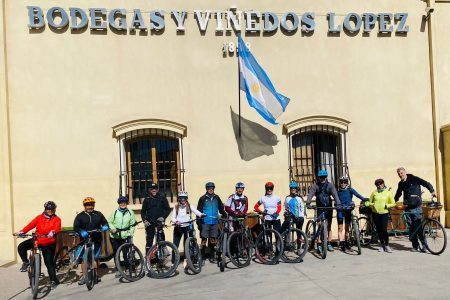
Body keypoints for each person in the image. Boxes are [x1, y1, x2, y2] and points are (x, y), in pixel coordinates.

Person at [14, 201, 61, 290]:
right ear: (45, 209)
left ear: (54, 210)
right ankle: (25, 262)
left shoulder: (57, 219)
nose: (50, 211)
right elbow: (31, 225)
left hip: (49, 242)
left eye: (52, 210)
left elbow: (57, 227)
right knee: (21, 246)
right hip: (38, 239)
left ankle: (53, 280)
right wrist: (22, 231)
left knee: (49, 263)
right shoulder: (39, 217)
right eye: (48, 210)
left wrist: (53, 231)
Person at [394, 167, 437, 252]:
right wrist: (392, 202)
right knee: (411, 228)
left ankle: (424, 245)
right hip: (407, 208)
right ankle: (415, 245)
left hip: (416, 207)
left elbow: (426, 183)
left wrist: (432, 191)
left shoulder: (414, 179)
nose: (400, 175)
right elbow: (398, 194)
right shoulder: (401, 184)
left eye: (401, 173)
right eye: (399, 174)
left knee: (418, 227)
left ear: (405, 172)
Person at [73, 197, 109, 285]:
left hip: (96, 239)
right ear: (84, 206)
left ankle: (96, 275)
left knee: (95, 258)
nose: (90, 207)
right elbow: (76, 227)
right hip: (84, 240)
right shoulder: (80, 216)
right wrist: (81, 231)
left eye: (92, 205)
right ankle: (85, 276)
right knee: (83, 259)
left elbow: (105, 223)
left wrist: (104, 227)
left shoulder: (98, 214)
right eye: (88, 205)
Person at [306, 169, 341, 254]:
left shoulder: (330, 185)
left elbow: (335, 194)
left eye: (324, 177)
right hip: (320, 208)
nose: (322, 179)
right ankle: (319, 244)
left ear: (326, 177)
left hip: (329, 207)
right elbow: (311, 193)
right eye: (321, 177)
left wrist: (338, 204)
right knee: (320, 226)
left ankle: (328, 243)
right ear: (318, 177)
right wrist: (308, 202)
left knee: (328, 227)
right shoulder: (316, 185)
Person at [171, 191, 205, 268]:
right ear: (179, 199)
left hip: (187, 227)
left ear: (186, 198)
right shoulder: (176, 207)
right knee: (175, 244)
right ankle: (173, 262)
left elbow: (197, 212)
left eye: (184, 198)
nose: (183, 200)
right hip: (178, 227)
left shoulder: (189, 206)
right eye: (181, 198)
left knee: (186, 244)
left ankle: (186, 260)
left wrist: (201, 214)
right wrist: (176, 221)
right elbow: (172, 218)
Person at [197, 182, 227, 263]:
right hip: (205, 222)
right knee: (203, 240)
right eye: (209, 188)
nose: (210, 189)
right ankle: (202, 258)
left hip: (214, 222)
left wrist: (225, 214)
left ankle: (212, 256)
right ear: (206, 189)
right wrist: (199, 223)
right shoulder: (202, 198)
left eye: (212, 188)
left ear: (214, 189)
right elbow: (198, 211)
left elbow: (221, 208)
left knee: (213, 240)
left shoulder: (217, 198)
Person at [108, 196, 136, 278]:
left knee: (126, 253)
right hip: (115, 236)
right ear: (119, 204)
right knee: (116, 253)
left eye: (124, 203)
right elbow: (109, 222)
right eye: (121, 203)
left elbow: (133, 224)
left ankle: (127, 268)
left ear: (126, 203)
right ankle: (118, 269)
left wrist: (130, 233)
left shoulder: (130, 212)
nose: (123, 204)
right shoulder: (115, 212)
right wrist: (112, 229)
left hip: (125, 235)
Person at [365, 179, 396, 253]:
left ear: (383, 184)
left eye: (380, 184)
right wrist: (370, 204)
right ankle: (382, 246)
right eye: (377, 185)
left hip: (384, 213)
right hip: (375, 213)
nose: (379, 185)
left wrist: (386, 205)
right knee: (379, 230)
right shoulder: (374, 193)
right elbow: (370, 202)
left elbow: (393, 203)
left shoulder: (388, 193)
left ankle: (387, 245)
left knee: (384, 230)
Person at [336, 176, 366, 252]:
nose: (343, 183)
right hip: (340, 211)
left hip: (348, 211)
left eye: (345, 182)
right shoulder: (338, 191)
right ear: (339, 183)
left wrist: (364, 199)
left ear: (347, 182)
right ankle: (342, 244)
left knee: (347, 228)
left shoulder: (350, 190)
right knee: (340, 228)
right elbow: (333, 197)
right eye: (341, 182)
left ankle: (346, 243)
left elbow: (358, 195)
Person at [141, 183, 171, 254]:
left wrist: (163, 217)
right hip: (149, 222)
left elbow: (167, 209)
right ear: (149, 190)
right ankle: (148, 258)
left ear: (157, 189)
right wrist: (144, 221)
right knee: (149, 240)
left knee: (161, 236)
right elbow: (143, 212)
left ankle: (163, 248)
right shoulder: (146, 199)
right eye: (152, 189)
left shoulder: (162, 197)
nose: (153, 190)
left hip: (159, 221)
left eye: (155, 189)